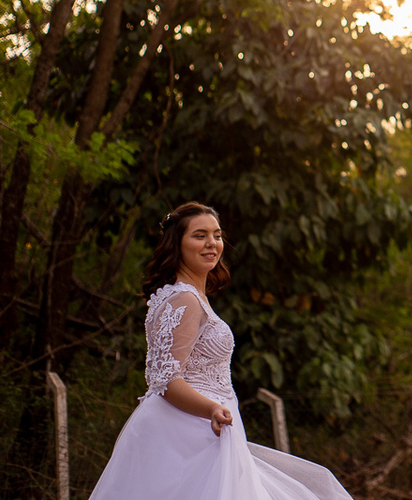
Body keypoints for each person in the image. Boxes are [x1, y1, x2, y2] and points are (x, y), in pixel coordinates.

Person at [89, 202, 354, 500]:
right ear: (177, 242)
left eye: (216, 235)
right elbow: (166, 380)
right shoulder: (186, 300)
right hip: (189, 431)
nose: (211, 243)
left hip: (196, 426)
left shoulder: (179, 296)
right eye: (199, 235)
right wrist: (212, 409)